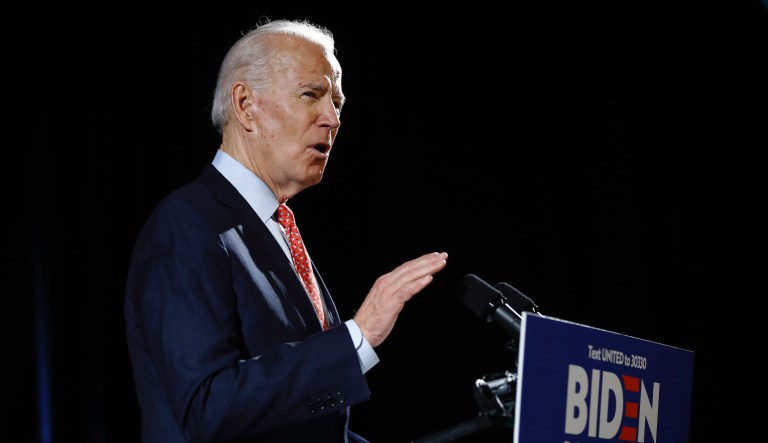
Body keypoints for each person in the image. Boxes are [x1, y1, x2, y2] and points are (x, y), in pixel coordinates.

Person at [123, 18, 449, 443]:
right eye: (312, 94)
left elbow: (294, 425)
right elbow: (209, 407)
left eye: (336, 101)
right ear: (245, 106)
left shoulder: (273, 229)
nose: (332, 118)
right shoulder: (186, 225)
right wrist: (358, 335)